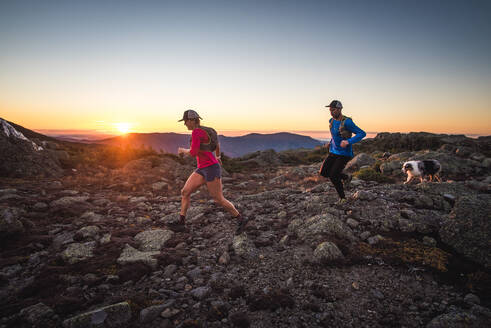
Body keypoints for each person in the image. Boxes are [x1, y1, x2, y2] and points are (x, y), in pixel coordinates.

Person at [176, 109, 249, 234]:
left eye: (186, 121)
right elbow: (216, 144)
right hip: (202, 168)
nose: (185, 124)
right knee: (185, 191)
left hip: (210, 169)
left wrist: (182, 150)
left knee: (218, 199)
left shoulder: (196, 133)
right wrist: (218, 156)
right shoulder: (207, 130)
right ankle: (181, 223)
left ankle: (241, 219)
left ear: (192, 121)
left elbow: (193, 153)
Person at [319, 100, 366, 204]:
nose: (331, 112)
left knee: (333, 175)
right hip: (333, 151)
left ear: (340, 109)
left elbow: (362, 133)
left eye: (333, 110)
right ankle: (346, 177)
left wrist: (348, 141)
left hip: (344, 154)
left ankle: (343, 198)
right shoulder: (331, 121)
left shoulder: (347, 122)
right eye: (330, 110)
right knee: (323, 172)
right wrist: (330, 143)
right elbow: (335, 135)